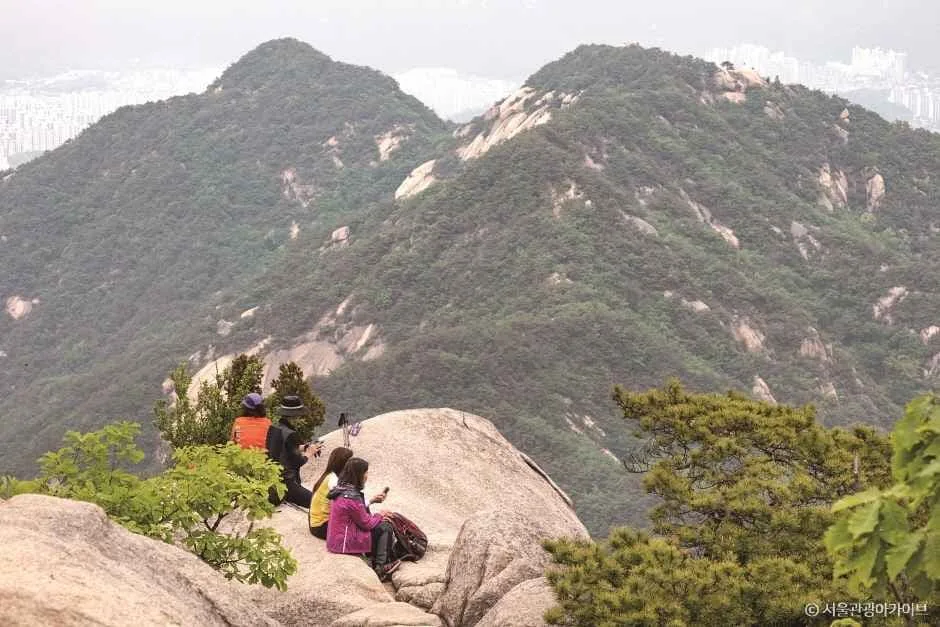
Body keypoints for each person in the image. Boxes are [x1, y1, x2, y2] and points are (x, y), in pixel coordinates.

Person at [326, 457, 399, 581]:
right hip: (344, 543)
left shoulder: (341, 488)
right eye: (366, 472)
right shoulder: (351, 496)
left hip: (337, 539)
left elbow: (359, 516)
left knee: (379, 524)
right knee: (385, 527)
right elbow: (366, 523)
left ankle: (376, 559)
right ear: (358, 474)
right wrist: (380, 514)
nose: (367, 476)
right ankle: (381, 567)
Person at [268, 395, 320, 508]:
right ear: (295, 416)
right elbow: (297, 461)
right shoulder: (291, 434)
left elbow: (284, 450)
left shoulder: (274, 428)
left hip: (273, 481)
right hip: (287, 484)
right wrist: (309, 453)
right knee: (318, 503)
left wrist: (304, 447)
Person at [309, 446, 353, 539]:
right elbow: (346, 505)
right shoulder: (333, 480)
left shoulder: (329, 475)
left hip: (317, 523)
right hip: (321, 525)